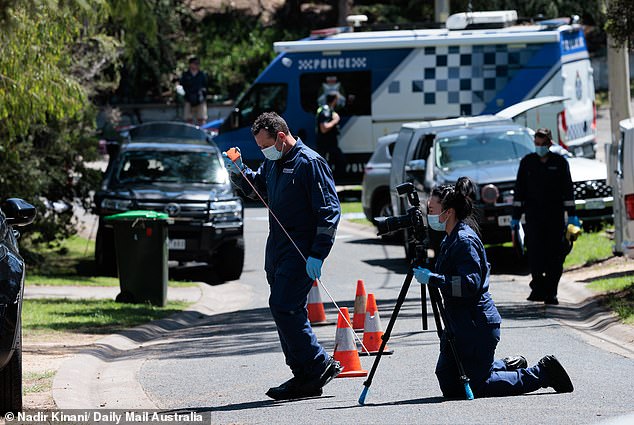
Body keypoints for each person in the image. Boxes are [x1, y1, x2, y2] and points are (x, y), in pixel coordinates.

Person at [413, 177, 574, 398]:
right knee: (449, 383)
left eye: (431, 209)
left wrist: (434, 279)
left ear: (448, 211)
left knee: (477, 385)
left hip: (475, 324)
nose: (428, 214)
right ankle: (507, 365)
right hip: (458, 324)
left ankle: (543, 373)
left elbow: (469, 285)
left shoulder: (463, 241)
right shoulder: (448, 239)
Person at [222, 112, 343, 400]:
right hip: (277, 249)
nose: (264, 152)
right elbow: (260, 190)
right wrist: (239, 171)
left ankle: (316, 364)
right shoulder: (274, 163)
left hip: (300, 251)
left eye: (265, 146)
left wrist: (318, 254)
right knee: (284, 310)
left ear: (280, 136)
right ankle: (304, 375)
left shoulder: (310, 163)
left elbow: (329, 212)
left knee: (284, 306)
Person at [511, 128, 580, 305]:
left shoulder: (560, 163)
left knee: (555, 257)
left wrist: (572, 217)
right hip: (533, 219)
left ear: (550, 143)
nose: (539, 147)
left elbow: (568, 192)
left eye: (543, 144)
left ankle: (551, 292)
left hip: (555, 219)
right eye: (536, 144)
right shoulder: (527, 163)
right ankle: (538, 287)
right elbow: (519, 193)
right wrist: (515, 218)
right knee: (535, 255)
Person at [316, 92, 347, 181]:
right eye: (337, 99)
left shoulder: (328, 110)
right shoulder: (326, 111)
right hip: (327, 146)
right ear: (334, 100)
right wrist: (335, 120)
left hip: (330, 145)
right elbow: (324, 128)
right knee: (339, 162)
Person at [179, 56, 208, 126]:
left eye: (198, 63)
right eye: (195, 63)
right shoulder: (185, 75)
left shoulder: (202, 75)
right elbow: (182, 86)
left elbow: (205, 86)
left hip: (200, 99)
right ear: (190, 64)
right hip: (188, 99)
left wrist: (202, 95)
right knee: (188, 119)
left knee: (202, 118)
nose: (196, 65)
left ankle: (202, 133)